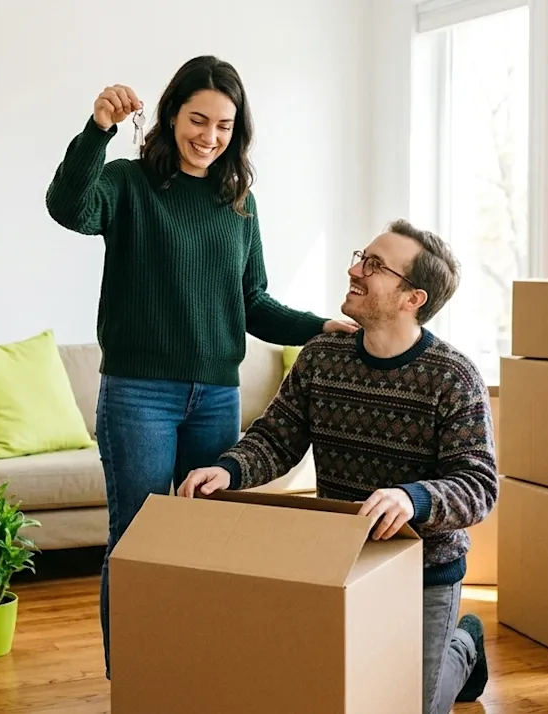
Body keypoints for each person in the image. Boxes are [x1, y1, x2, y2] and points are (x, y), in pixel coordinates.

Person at [44, 55, 356, 678]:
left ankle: (195, 668)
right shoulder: (129, 183)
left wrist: (320, 325)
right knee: (136, 540)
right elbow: (67, 207)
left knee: (207, 542)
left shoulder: (238, 200)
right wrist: (97, 129)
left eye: (224, 125)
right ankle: (134, 678)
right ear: (170, 114)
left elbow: (254, 303)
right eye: (197, 119)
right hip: (139, 396)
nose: (209, 136)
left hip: (215, 396)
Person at [179, 218, 498, 713]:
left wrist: (411, 498)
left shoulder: (453, 377)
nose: (354, 269)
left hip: (425, 570)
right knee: (333, 688)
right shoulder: (322, 357)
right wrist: (230, 470)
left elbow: (478, 485)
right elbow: (277, 437)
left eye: (374, 265)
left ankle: (464, 644)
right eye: (360, 256)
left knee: (411, 705)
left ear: (413, 297)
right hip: (340, 558)